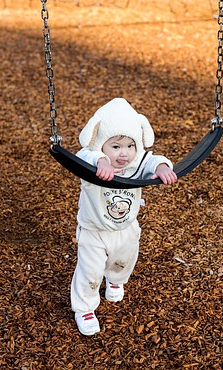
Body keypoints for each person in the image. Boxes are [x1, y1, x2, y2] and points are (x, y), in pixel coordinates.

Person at [71, 98, 178, 336]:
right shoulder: (91, 162)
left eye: (130, 146)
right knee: (89, 271)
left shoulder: (136, 163)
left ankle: (115, 279)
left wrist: (162, 168)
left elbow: (151, 160)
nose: (124, 153)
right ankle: (85, 308)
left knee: (124, 261)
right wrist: (100, 162)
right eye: (115, 146)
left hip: (125, 227)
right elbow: (83, 156)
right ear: (101, 144)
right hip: (94, 229)